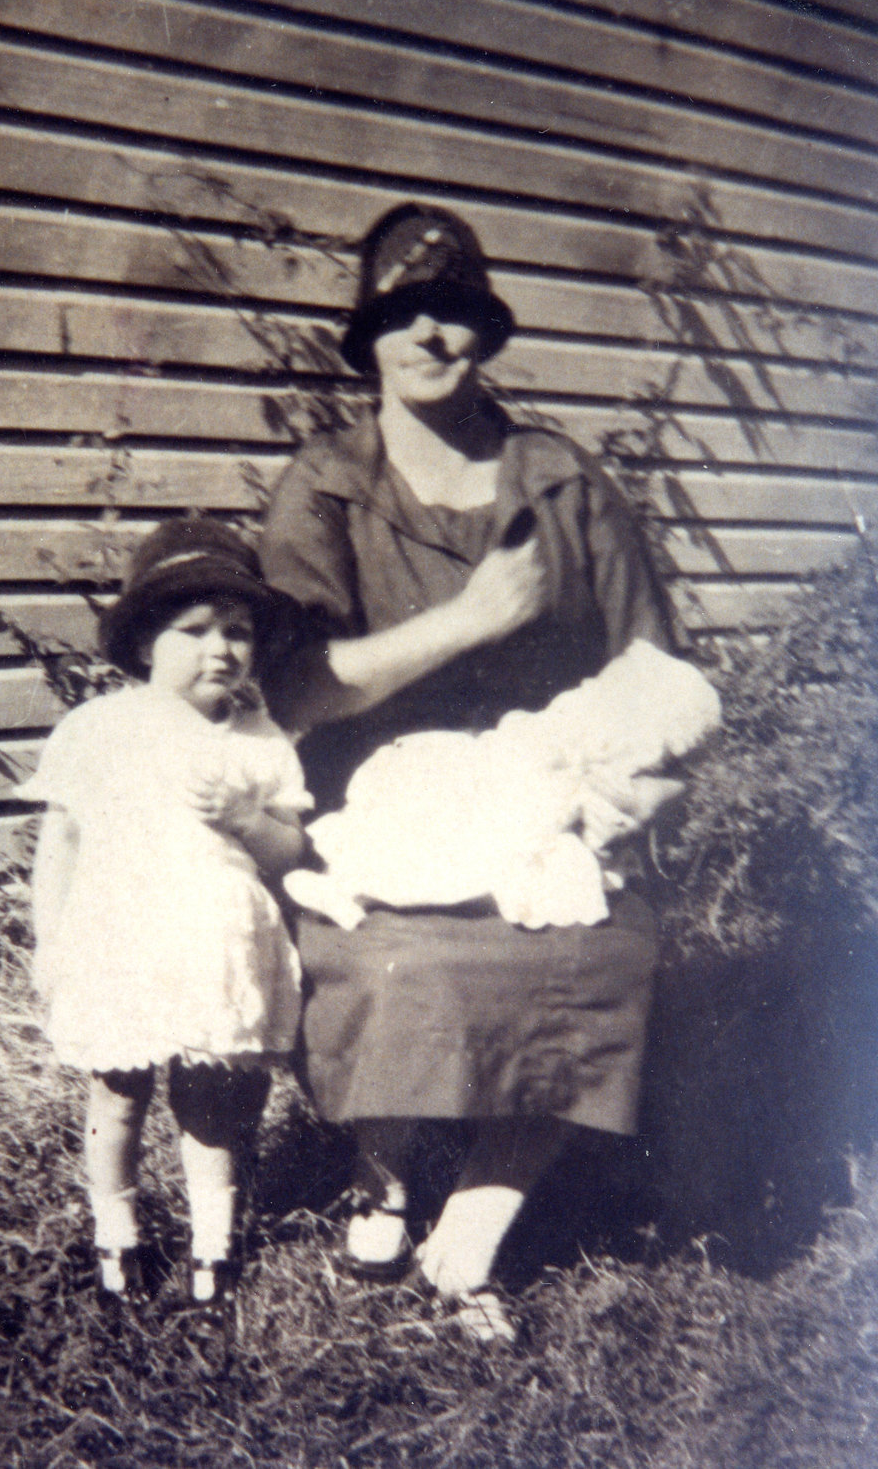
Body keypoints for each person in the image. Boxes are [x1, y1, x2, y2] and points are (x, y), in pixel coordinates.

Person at [259, 202, 679, 1341]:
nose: (430, 335)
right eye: (402, 314)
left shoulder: (559, 483)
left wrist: (612, 791)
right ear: (371, 339)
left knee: (604, 947)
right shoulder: (328, 485)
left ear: (486, 333)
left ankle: (478, 1224)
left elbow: (651, 665)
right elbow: (291, 689)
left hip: (539, 795)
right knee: (389, 955)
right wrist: (466, 621)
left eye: (454, 312)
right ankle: (384, 1182)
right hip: (371, 804)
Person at [18, 519, 311, 1309]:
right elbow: (63, 844)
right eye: (195, 630)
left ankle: (212, 1249)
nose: (221, 649)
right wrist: (51, 943)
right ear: (146, 643)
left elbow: (289, 853)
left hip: (215, 948)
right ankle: (117, 1234)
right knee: (117, 1092)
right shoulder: (99, 728)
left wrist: (252, 820)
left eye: (238, 632)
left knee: (210, 1105)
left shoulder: (261, 740)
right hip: (121, 936)